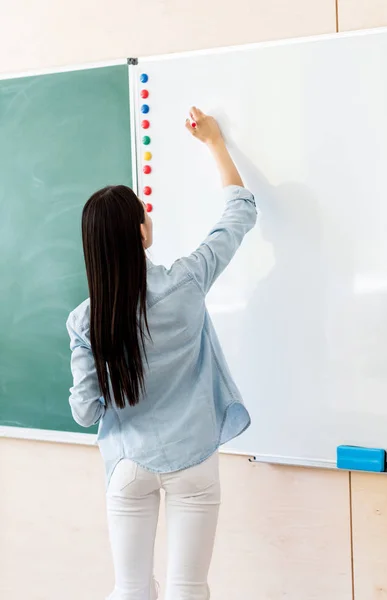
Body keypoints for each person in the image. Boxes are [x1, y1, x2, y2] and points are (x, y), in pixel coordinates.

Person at [66, 107, 257, 600]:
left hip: (129, 465)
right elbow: (240, 212)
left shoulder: (84, 320)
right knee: (189, 588)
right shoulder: (188, 280)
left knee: (130, 589)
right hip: (193, 459)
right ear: (142, 232)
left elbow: (86, 412)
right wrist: (214, 143)